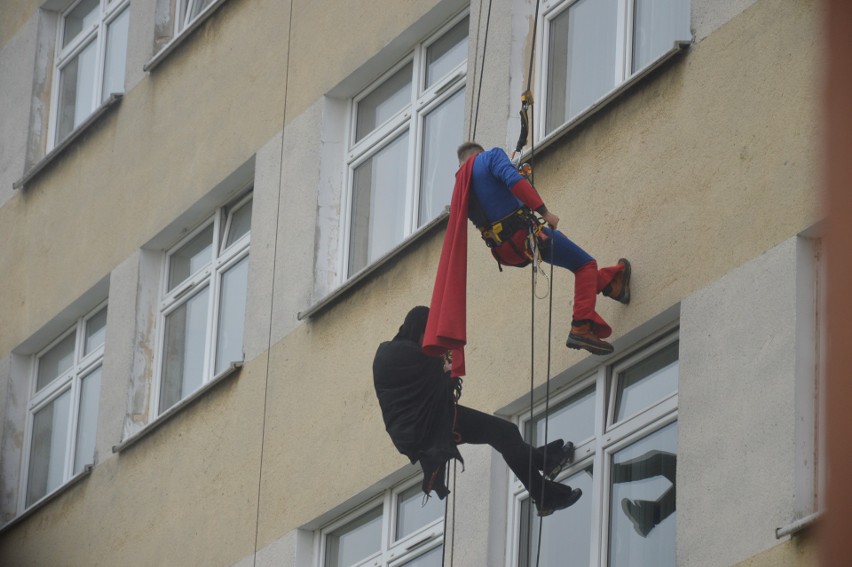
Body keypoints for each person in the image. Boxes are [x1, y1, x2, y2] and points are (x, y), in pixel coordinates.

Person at [427, 142, 631, 358]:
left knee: (570, 254)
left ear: (461, 164)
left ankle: (611, 285)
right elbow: (514, 181)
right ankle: (581, 326)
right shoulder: (489, 157)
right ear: (479, 154)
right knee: (585, 265)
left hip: (506, 252)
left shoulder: (461, 187)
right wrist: (544, 211)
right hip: (526, 236)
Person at [374, 306, 583, 516]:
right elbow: (432, 375)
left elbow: (426, 383)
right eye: (427, 334)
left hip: (426, 423)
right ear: (417, 328)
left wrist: (443, 365)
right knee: (504, 433)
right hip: (427, 426)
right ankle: (545, 493)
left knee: (503, 435)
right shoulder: (399, 354)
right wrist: (446, 362)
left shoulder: (392, 352)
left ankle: (546, 462)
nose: (428, 341)